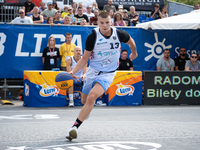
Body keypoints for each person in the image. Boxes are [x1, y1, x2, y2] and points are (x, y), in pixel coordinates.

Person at [65, 11, 137, 141]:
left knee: (92, 97)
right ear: (97, 23)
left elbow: (132, 43)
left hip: (108, 74)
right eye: (102, 23)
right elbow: (84, 58)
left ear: (111, 22)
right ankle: (86, 111)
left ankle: (74, 127)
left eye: (107, 22)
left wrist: (134, 53)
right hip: (92, 71)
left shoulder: (119, 34)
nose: (105, 26)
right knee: (84, 101)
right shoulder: (93, 37)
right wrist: (72, 72)